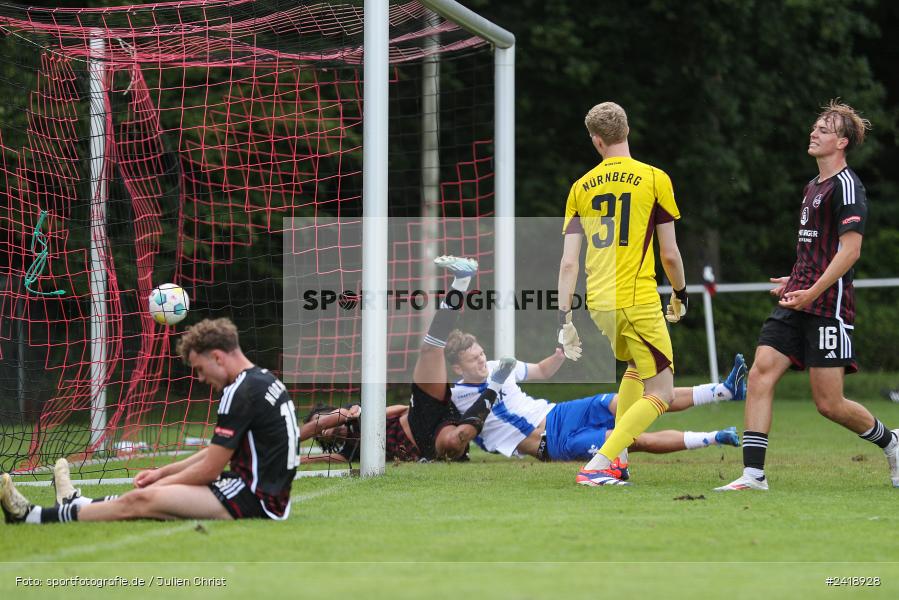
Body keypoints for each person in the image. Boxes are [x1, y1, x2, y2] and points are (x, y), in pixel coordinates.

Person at [716, 101, 899, 491]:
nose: (814, 132)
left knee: (829, 404)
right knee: (762, 370)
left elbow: (850, 251)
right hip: (800, 296)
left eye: (825, 128)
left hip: (828, 304)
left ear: (842, 141)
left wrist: (812, 289)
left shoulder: (847, 186)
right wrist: (793, 279)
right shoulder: (812, 187)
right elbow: (817, 249)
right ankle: (753, 474)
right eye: (815, 125)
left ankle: (892, 442)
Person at [1, 317, 301, 524]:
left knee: (144, 501)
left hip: (255, 499)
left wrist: (160, 484)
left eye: (199, 368)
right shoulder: (261, 379)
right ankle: (75, 505)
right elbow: (216, 453)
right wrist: (162, 473)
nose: (200, 378)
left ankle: (31, 516)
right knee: (156, 502)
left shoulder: (240, 391)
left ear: (218, 358)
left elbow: (209, 470)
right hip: (262, 492)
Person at [556, 101, 688, 485]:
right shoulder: (653, 179)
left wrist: (563, 316)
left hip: (599, 302)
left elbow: (568, 264)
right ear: (627, 131)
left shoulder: (580, 187)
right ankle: (599, 464)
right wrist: (680, 293)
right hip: (637, 299)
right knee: (662, 390)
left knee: (635, 368)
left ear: (596, 141)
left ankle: (620, 460)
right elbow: (669, 253)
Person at [445, 330, 745, 462]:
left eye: (482, 354)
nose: (483, 361)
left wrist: (559, 355)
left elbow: (540, 371)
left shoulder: (501, 366)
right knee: (630, 440)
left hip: (559, 413)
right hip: (552, 444)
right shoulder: (456, 398)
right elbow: (447, 432)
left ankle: (723, 391)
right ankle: (715, 437)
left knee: (632, 399)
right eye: (474, 360)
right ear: (458, 367)